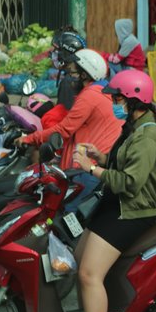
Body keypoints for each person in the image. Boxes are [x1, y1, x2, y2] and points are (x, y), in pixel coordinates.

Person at [69, 70, 156, 312]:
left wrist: (93, 168)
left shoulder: (149, 135)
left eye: (118, 98)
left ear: (134, 99)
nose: (114, 102)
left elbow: (130, 183)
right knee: (77, 261)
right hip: (116, 203)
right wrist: (103, 156)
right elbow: (124, 161)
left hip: (134, 209)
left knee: (88, 273)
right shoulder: (135, 125)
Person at [16, 50, 122, 205]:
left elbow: (63, 130)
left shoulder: (90, 95)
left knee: (66, 215)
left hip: (88, 169)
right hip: (95, 164)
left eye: (72, 73)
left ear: (84, 75)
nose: (70, 77)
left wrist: (29, 139)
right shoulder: (102, 90)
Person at [51, 27, 87, 111]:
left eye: (56, 50)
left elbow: (65, 114)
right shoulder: (82, 74)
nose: (53, 53)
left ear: (65, 54)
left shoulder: (69, 82)